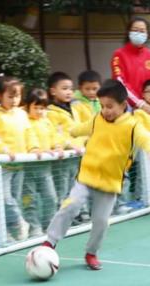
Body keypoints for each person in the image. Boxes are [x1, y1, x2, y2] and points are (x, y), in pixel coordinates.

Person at [42, 80, 150, 270]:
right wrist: (65, 132)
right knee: (71, 205)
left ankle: (91, 253)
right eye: (102, 106)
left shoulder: (132, 126)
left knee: (101, 221)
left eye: (110, 106)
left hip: (110, 182)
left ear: (123, 105)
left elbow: (146, 139)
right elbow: (78, 129)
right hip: (87, 176)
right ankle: (50, 242)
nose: (105, 111)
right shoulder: (97, 119)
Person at [0, 75, 39, 241]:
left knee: (14, 198)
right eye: (10, 96)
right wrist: (3, 150)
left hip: (19, 164)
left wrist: (33, 147)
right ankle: (19, 223)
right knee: (5, 199)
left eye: (18, 96)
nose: (15, 100)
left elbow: (29, 132)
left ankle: (11, 230)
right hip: (1, 167)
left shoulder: (21, 114)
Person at [46, 71, 93, 223]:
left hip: (78, 155)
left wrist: (85, 141)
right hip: (63, 158)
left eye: (71, 89)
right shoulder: (50, 112)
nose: (69, 92)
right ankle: (63, 217)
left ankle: (81, 212)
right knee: (63, 188)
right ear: (53, 91)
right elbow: (53, 134)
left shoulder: (74, 108)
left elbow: (79, 129)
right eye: (64, 88)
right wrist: (68, 145)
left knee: (80, 185)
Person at [22, 89, 64, 237]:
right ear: (28, 106)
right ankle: (34, 228)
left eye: (42, 108)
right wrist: (35, 149)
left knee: (50, 197)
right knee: (29, 200)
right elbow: (27, 137)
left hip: (45, 167)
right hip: (27, 168)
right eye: (36, 107)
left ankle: (49, 225)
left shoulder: (46, 121)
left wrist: (58, 145)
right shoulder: (23, 120)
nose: (39, 111)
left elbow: (55, 136)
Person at [111, 17, 150, 113]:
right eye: (135, 30)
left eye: (142, 31)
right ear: (128, 32)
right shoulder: (119, 55)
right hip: (126, 107)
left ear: (147, 34)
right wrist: (140, 104)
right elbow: (120, 82)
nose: (139, 33)